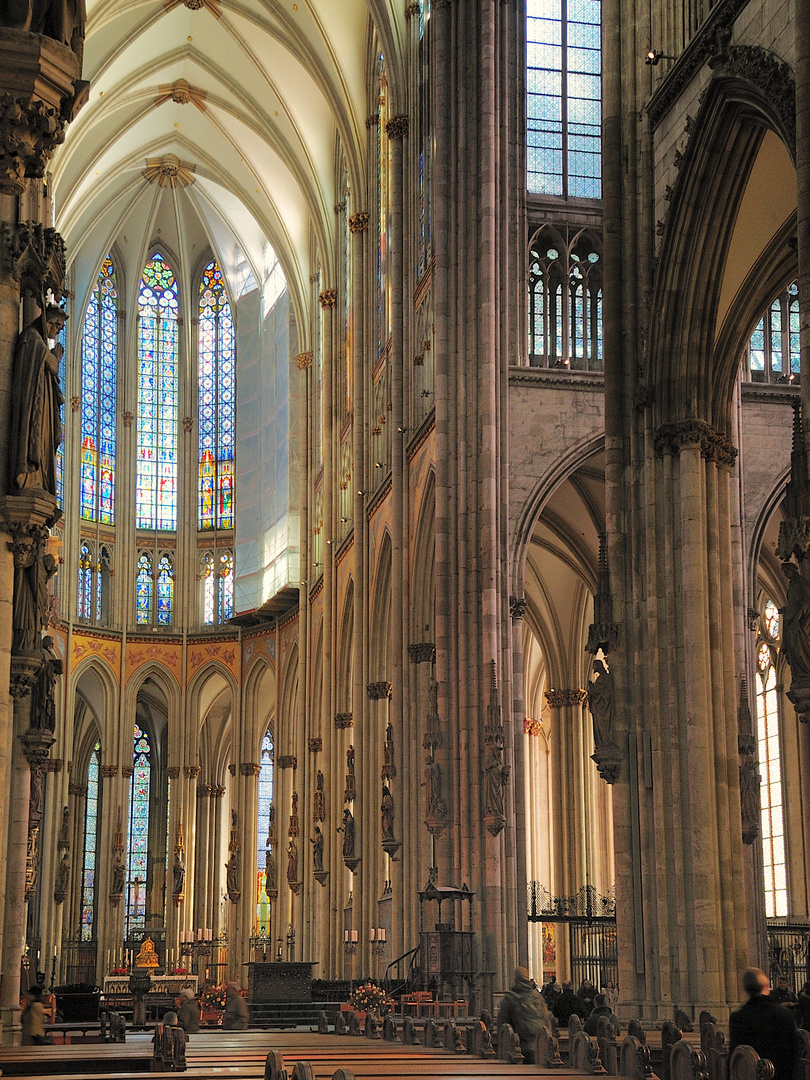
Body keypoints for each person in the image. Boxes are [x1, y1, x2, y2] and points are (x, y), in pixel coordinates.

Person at [10, 305, 66, 496]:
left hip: (41, 400)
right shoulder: (33, 337)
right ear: (49, 322)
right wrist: (56, 358)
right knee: (33, 437)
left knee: (44, 439)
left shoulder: (37, 339)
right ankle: (28, 478)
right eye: (57, 327)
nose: (56, 332)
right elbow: (52, 365)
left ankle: (37, 479)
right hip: (33, 401)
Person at [729, 968, 799, 1080]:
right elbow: (793, 1056)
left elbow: (735, 1057)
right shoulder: (784, 1014)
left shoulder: (738, 1017)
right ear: (766, 985)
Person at [496, 966, 551, 1064]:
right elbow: (547, 1018)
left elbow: (503, 1027)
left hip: (520, 1048)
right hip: (541, 1044)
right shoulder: (537, 996)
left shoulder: (510, 998)